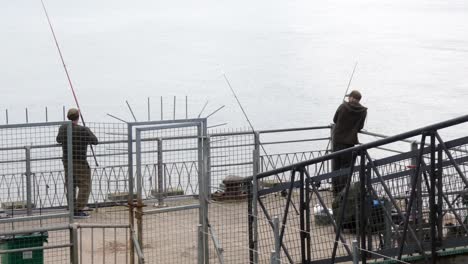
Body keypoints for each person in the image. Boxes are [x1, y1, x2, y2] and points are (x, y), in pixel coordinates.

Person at [57, 108, 98, 218]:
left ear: (68, 117)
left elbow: (58, 139)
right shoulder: (83, 130)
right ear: (78, 117)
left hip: (67, 161)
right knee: (85, 185)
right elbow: (95, 141)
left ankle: (72, 207)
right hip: (80, 161)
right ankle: (78, 209)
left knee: (71, 185)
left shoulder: (63, 127)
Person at [331, 90, 367, 195]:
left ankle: (336, 192)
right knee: (346, 168)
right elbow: (360, 127)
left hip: (338, 140)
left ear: (351, 98)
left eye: (349, 97)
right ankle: (344, 191)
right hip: (350, 143)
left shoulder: (343, 107)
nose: (348, 99)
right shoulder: (363, 111)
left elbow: (334, 120)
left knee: (337, 167)